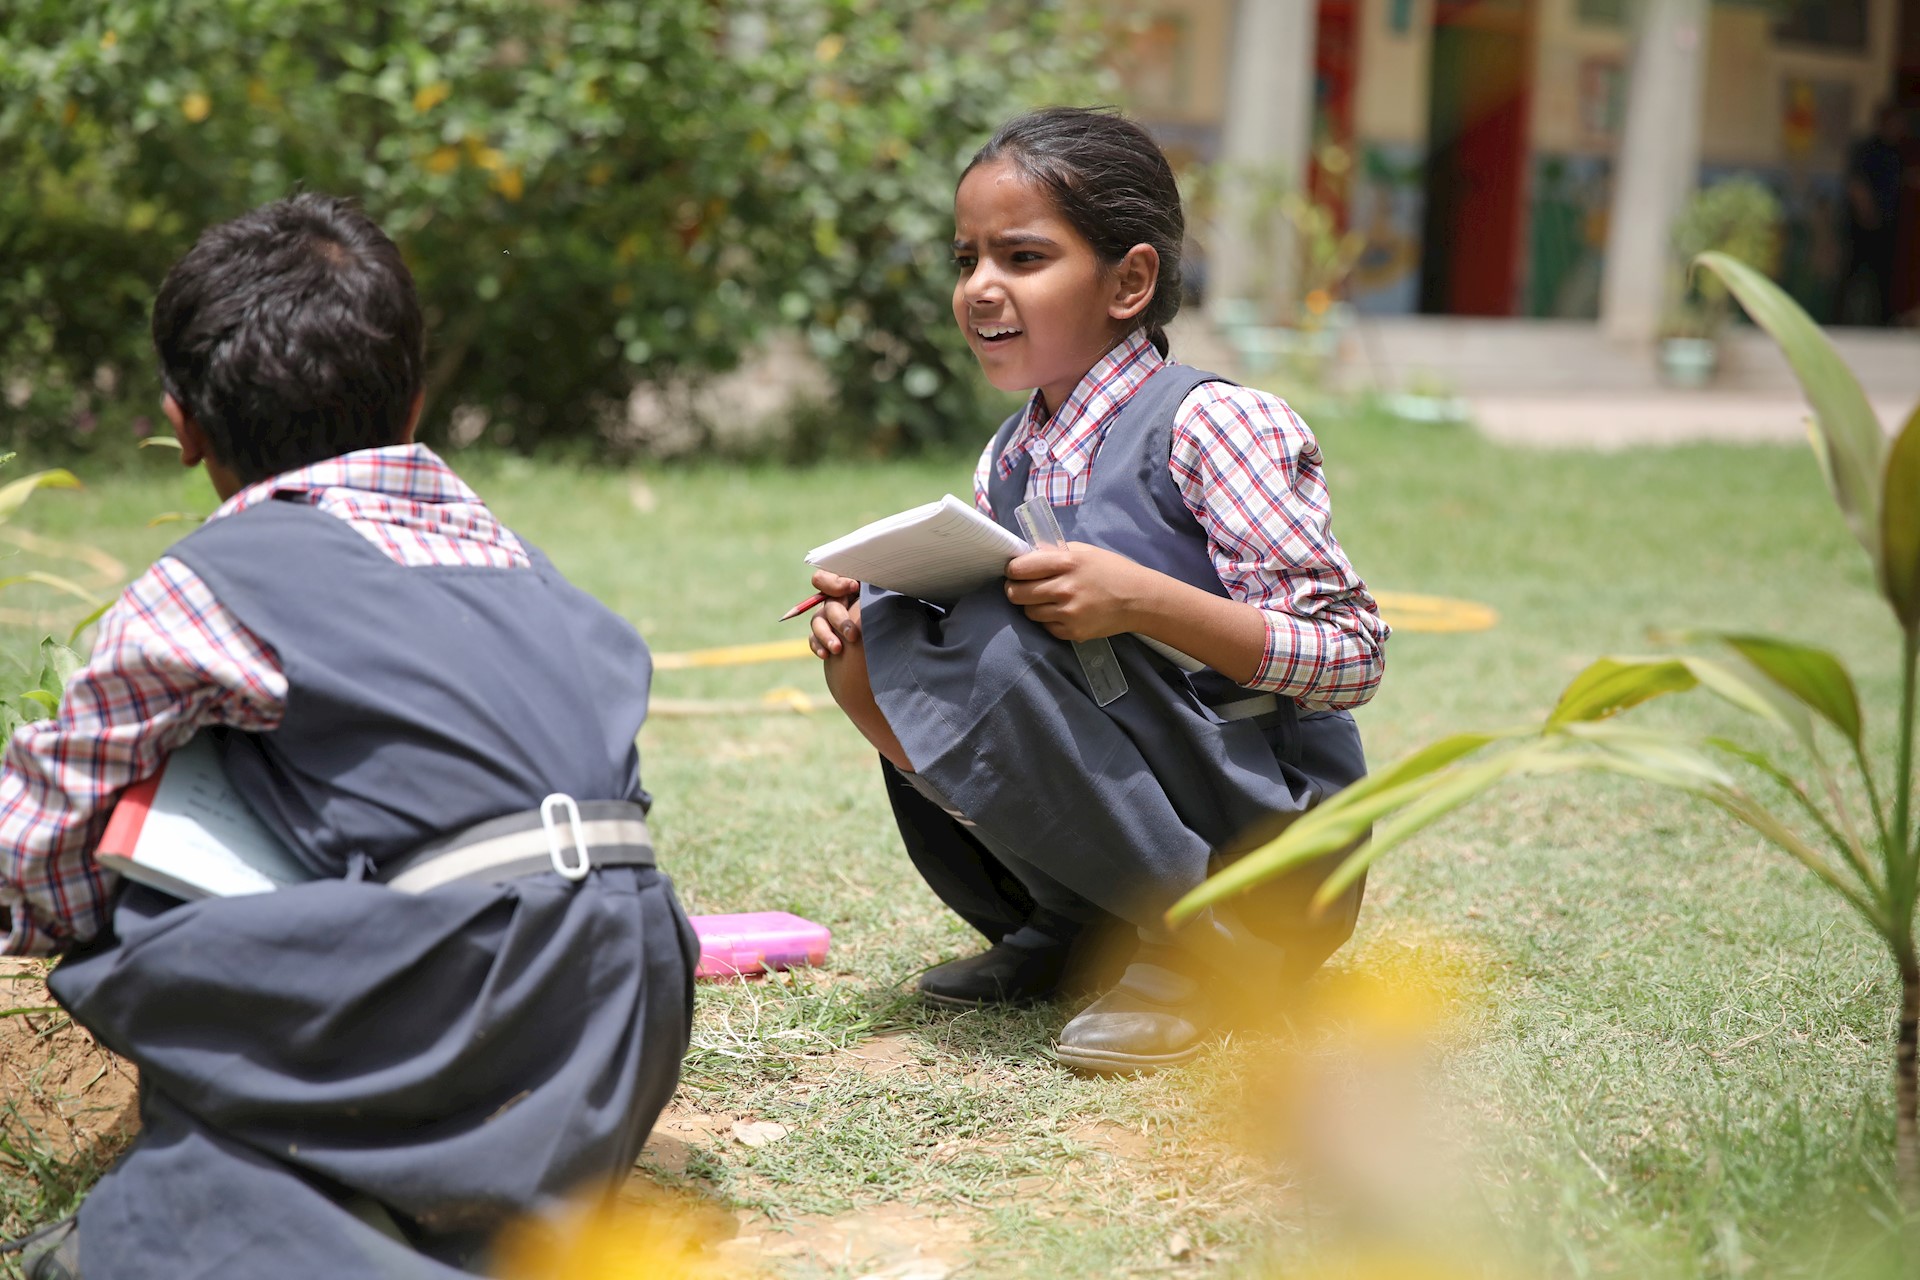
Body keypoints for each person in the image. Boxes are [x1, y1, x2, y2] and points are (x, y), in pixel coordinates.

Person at [0, 194, 696, 1279]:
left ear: (183, 427)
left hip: (463, 984)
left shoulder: (209, 586)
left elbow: (31, 861)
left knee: (127, 877)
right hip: (629, 1002)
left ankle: (206, 1224)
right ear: (414, 401)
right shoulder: (507, 552)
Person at [805, 107, 1389, 1075]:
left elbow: (1352, 657)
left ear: (1131, 280)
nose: (981, 289)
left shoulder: (1218, 425)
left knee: (993, 630)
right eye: (967, 260)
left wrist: (1144, 599)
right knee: (887, 636)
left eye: (1023, 258)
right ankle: (1081, 919)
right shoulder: (1013, 450)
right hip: (1146, 783)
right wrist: (879, 605)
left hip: (1262, 839)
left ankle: (1201, 943)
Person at [1840, 102, 1908, 326]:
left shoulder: (1897, 152)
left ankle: (1883, 323)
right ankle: (1838, 321)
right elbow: (1856, 185)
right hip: (1863, 225)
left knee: (1883, 278)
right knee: (1851, 274)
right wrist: (1868, 213)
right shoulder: (1867, 149)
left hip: (1888, 225)